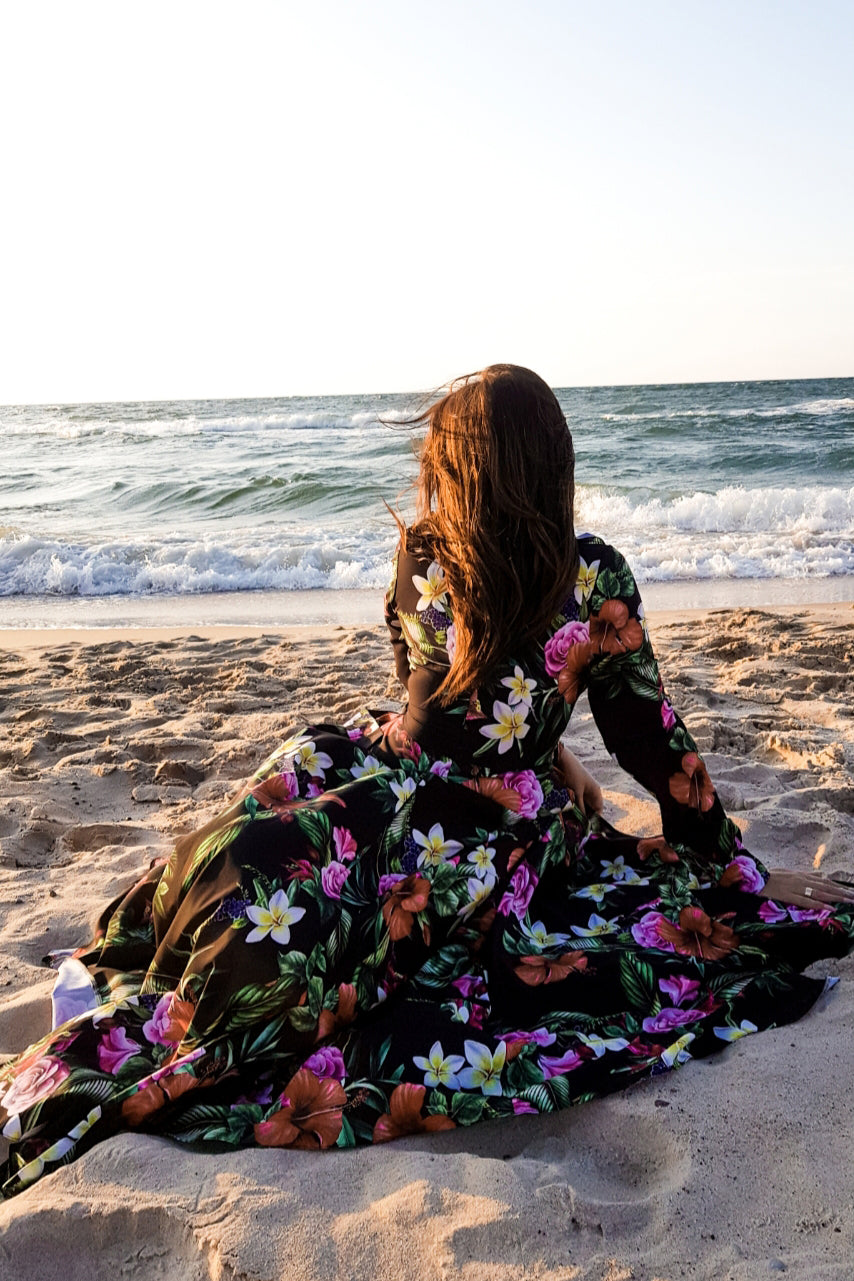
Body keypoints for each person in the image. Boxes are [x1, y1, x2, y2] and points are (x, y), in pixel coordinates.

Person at [1, 364, 852, 1197]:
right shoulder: (592, 576)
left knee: (266, 874)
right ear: (552, 465)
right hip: (489, 823)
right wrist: (731, 870)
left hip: (371, 773)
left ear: (458, 469)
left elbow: (436, 692)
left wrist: (549, 747)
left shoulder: (420, 552)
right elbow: (650, 743)